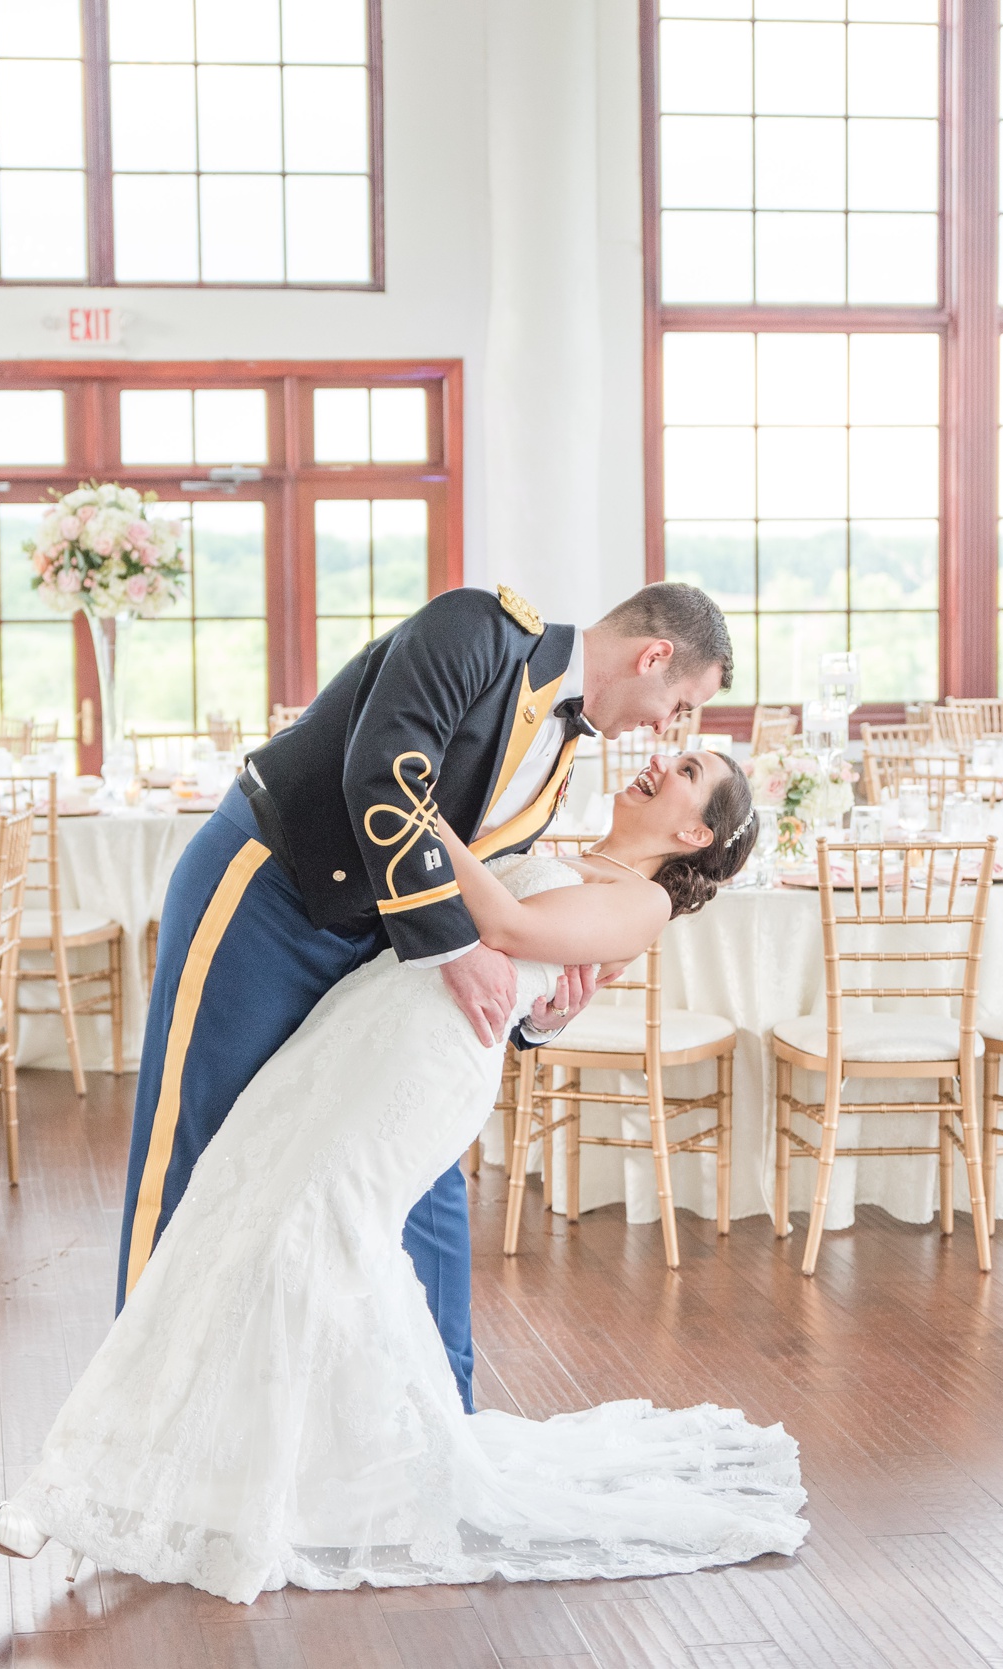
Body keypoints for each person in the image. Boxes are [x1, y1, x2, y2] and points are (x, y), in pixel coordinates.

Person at [0, 746, 804, 1601]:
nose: (661, 759)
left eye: (687, 768)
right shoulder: (570, 843)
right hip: (364, 1018)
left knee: (304, 1240)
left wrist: (413, 807)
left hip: (428, 1063)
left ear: (694, 829)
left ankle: (112, 1489)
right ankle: (128, 1473)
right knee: (229, 1203)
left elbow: (511, 933)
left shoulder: (641, 905)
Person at [112, 581, 733, 1413]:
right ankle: (135, 1418)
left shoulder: (561, 761)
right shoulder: (478, 629)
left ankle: (444, 1429)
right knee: (201, 1140)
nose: (667, 726)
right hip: (268, 893)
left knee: (422, 1177)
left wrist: (539, 1014)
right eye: (680, 703)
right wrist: (459, 946)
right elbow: (385, 771)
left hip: (380, 954)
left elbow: (499, 894)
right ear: (653, 657)